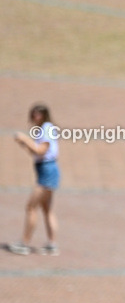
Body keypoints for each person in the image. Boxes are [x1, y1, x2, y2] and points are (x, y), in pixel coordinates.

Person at [8, 104, 61, 255]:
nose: (34, 117)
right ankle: (52, 244)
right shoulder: (44, 129)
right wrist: (25, 144)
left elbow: (41, 150)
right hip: (46, 169)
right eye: (33, 114)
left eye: (37, 114)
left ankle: (25, 243)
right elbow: (36, 153)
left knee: (31, 207)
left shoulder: (46, 128)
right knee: (47, 209)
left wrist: (25, 139)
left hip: (47, 172)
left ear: (44, 115)